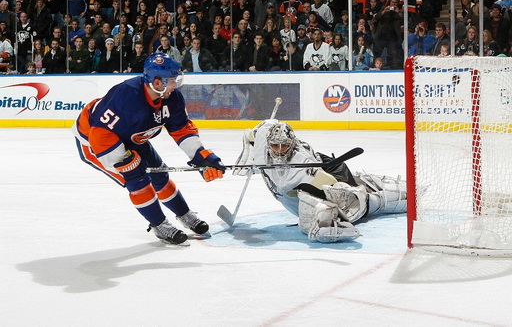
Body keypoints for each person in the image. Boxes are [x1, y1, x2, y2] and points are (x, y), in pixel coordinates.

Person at [72, 53, 226, 245]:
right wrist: (124, 160)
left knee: (160, 175)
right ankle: (159, 224)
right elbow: (99, 134)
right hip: (96, 141)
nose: (175, 85)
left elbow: (182, 129)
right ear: (157, 82)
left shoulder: (172, 98)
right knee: (137, 179)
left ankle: (184, 214)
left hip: (133, 135)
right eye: (172, 81)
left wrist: (201, 155)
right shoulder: (126, 96)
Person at [233, 119, 406, 242]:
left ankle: (382, 198)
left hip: (325, 170)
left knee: (347, 196)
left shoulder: (302, 161)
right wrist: (250, 154)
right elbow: (261, 128)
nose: (279, 150)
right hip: (318, 167)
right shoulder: (264, 146)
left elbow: (323, 179)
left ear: (291, 144)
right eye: (275, 146)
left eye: (284, 146)